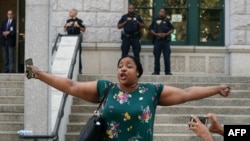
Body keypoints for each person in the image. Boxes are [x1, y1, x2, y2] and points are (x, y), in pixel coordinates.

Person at [26, 55, 230, 141]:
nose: (123, 68)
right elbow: (71, 85)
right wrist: (39, 74)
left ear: (138, 72)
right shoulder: (106, 88)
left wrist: (216, 88)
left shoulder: (151, 91)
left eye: (129, 66)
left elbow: (186, 93)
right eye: (120, 66)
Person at [149, 8, 174, 75]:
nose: (162, 13)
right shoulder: (155, 20)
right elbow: (151, 29)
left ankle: (167, 71)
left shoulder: (168, 20)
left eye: (163, 12)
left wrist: (165, 34)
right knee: (157, 56)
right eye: (161, 11)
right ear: (158, 12)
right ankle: (156, 71)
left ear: (165, 13)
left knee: (166, 57)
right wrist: (157, 34)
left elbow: (172, 29)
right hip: (157, 40)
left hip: (166, 41)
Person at [64, 8, 85, 74]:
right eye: (69, 12)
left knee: (78, 55)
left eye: (71, 12)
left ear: (75, 13)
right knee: (68, 55)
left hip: (77, 40)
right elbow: (65, 30)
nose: (69, 13)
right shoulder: (68, 20)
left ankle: (79, 70)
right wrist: (67, 25)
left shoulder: (79, 21)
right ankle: (68, 69)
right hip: (69, 40)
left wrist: (78, 26)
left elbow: (83, 30)